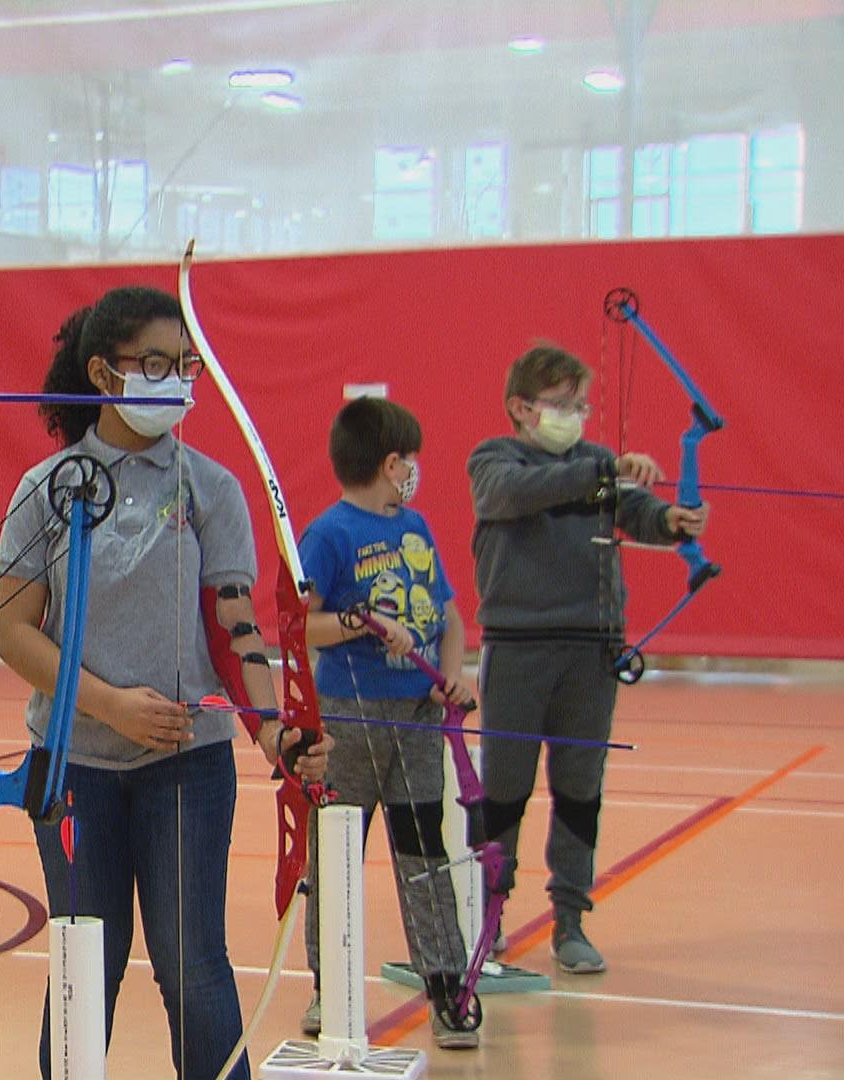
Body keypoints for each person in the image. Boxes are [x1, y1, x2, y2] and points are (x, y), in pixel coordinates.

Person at [0, 286, 330, 1080]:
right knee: (85, 966)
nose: (176, 381)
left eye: (187, 365)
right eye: (157, 364)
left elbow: (234, 624)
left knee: (194, 965)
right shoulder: (49, 486)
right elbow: (12, 632)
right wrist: (109, 705)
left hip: (188, 766)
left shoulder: (210, 488)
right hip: (75, 766)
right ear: (106, 376)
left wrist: (274, 730)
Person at [467, 343, 707, 974]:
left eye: (581, 404)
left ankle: (569, 917)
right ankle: (487, 915)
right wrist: (603, 474)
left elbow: (637, 511)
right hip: (518, 648)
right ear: (520, 408)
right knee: (504, 790)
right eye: (561, 405)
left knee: (579, 788)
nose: (576, 415)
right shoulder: (494, 460)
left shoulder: (596, 463)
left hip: (591, 647)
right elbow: (517, 494)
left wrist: (674, 520)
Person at [293, 395, 480, 1049]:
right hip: (349, 716)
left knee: (424, 853)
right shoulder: (329, 533)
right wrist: (359, 622)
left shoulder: (416, 526)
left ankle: (447, 985)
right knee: (337, 852)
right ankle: (329, 984)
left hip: (419, 717)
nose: (415, 475)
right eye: (411, 463)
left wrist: (454, 673)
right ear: (393, 462)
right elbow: (299, 626)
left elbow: (450, 616)